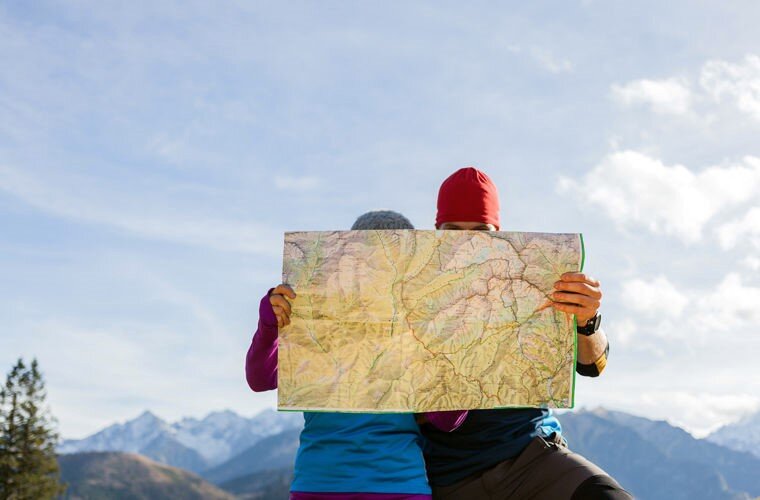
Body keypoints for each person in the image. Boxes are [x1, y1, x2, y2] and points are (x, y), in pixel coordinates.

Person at [420, 167, 632, 499]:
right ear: (437, 232)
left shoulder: (533, 279)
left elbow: (593, 365)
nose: (466, 242)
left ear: (497, 232)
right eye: (453, 231)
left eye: (480, 231)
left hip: (531, 459)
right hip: (446, 478)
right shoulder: (411, 290)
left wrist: (587, 320)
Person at [245, 210, 466, 500]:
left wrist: (445, 351)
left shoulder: (418, 329)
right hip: (321, 485)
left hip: (399, 486)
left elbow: (449, 420)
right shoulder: (315, 319)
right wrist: (270, 326)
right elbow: (260, 379)